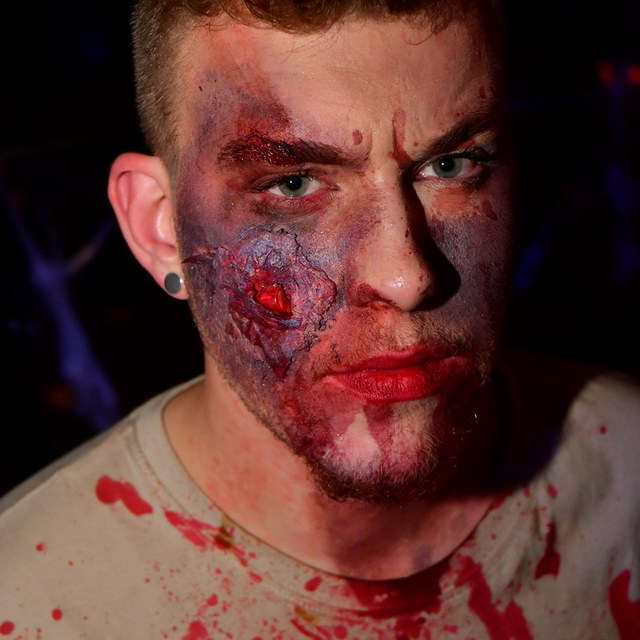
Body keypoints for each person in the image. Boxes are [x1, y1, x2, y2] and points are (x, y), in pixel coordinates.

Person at [1, 1, 638, 638]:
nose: (405, 277)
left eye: (450, 165)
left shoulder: (627, 477)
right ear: (160, 228)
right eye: (295, 183)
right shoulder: (28, 604)